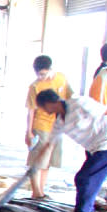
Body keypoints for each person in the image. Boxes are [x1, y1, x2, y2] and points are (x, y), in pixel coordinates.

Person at [34, 89, 107, 212]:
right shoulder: (59, 121)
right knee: (88, 180)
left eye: (43, 108)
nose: (44, 111)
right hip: (94, 148)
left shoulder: (78, 103)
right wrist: (36, 163)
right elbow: (49, 144)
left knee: (85, 178)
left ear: (49, 103)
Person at [25, 55, 74, 199]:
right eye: (38, 74)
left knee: (48, 162)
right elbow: (31, 110)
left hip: (57, 126)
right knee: (37, 160)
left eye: (43, 74)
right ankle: (36, 192)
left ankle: (41, 191)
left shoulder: (61, 79)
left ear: (51, 69)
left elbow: (71, 97)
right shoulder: (35, 86)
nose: (40, 77)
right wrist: (29, 132)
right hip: (41, 126)